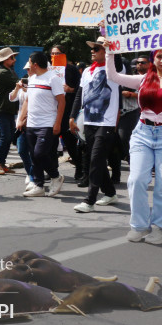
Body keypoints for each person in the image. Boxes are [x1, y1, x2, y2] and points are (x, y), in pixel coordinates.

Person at [106, 49, 162, 244]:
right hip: (143, 134)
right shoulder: (144, 79)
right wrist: (109, 51)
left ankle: (159, 227)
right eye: (160, 56)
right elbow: (113, 76)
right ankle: (139, 226)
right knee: (136, 180)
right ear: (153, 59)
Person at [69, 37, 123, 213]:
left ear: (107, 51)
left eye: (97, 48)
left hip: (106, 123)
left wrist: (107, 34)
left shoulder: (114, 70)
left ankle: (90, 200)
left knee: (96, 160)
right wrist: (72, 117)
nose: (92, 51)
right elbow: (80, 95)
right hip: (89, 121)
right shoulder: (86, 72)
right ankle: (110, 193)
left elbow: (118, 58)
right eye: (92, 48)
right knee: (96, 159)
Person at [17, 51, 65, 197]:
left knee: (40, 153)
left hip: (47, 123)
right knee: (34, 156)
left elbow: (62, 101)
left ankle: (56, 176)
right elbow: (27, 100)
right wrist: (21, 118)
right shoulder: (32, 79)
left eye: (30, 62)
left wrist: (57, 123)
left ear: (35, 64)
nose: (28, 65)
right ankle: (38, 185)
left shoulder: (53, 78)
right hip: (31, 123)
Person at [50, 44, 82, 181]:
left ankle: (80, 167)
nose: (54, 57)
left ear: (63, 54)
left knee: (70, 142)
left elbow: (81, 91)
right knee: (51, 143)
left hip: (68, 110)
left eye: (57, 54)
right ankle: (52, 171)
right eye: (52, 54)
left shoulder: (72, 70)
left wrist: (71, 90)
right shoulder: (48, 70)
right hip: (52, 110)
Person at [0, 47, 19, 175]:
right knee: (5, 136)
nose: (14, 59)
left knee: (9, 136)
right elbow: (18, 84)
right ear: (5, 60)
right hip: (1, 108)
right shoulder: (2, 72)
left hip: (8, 108)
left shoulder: (8, 71)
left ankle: (2, 162)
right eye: (12, 57)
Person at [9, 63, 34, 189]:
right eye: (27, 69)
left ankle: (34, 175)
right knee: (21, 149)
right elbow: (12, 98)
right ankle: (30, 173)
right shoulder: (22, 87)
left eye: (30, 68)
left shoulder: (37, 84)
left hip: (34, 122)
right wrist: (18, 88)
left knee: (34, 151)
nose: (28, 71)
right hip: (20, 123)